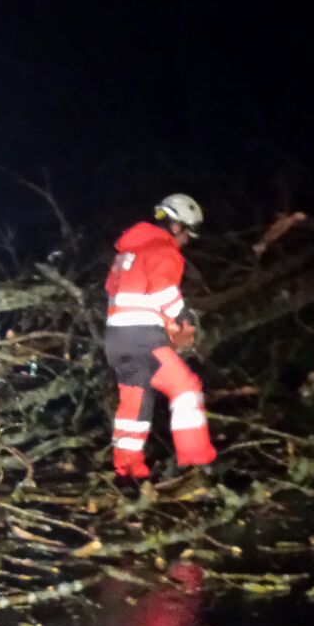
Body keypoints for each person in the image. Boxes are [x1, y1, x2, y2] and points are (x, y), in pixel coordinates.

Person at [102, 193, 217, 481]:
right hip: (142, 339)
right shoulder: (163, 249)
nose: (187, 241)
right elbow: (164, 292)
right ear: (176, 227)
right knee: (186, 388)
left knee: (135, 403)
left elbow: (117, 290)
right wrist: (183, 318)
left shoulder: (126, 253)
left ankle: (127, 471)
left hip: (116, 340)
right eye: (188, 233)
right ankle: (196, 462)